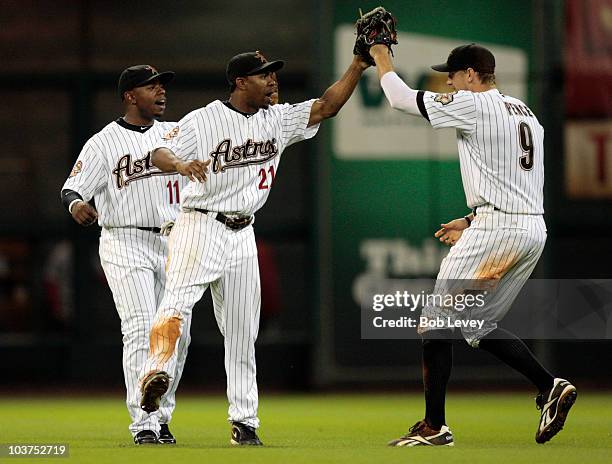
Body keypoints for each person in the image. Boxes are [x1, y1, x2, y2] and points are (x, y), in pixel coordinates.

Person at [138, 50, 370, 446]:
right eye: (264, 75)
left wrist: (358, 65)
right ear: (240, 82)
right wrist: (179, 165)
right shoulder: (204, 118)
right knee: (175, 306)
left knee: (244, 333)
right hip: (199, 224)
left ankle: (244, 422)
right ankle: (154, 384)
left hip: (243, 233)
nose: (273, 81)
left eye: (274, 74)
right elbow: (157, 151)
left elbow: (328, 106)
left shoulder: (276, 119)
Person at [368, 42, 576, 446]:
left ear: (471, 74)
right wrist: (471, 218)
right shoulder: (527, 113)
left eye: (452, 73)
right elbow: (519, 180)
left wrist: (379, 55)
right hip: (530, 229)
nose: (448, 81)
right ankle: (549, 386)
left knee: (434, 323)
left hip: (497, 231)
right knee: (475, 325)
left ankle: (434, 426)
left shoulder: (474, 105)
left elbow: (398, 99)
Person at [61, 65, 193, 445]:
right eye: (151, 86)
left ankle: (161, 414)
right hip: (124, 240)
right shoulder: (103, 142)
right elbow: (71, 189)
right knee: (139, 327)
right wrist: (75, 207)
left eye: (162, 85)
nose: (161, 91)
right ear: (130, 96)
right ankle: (144, 422)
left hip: (175, 241)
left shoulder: (178, 133)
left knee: (175, 334)